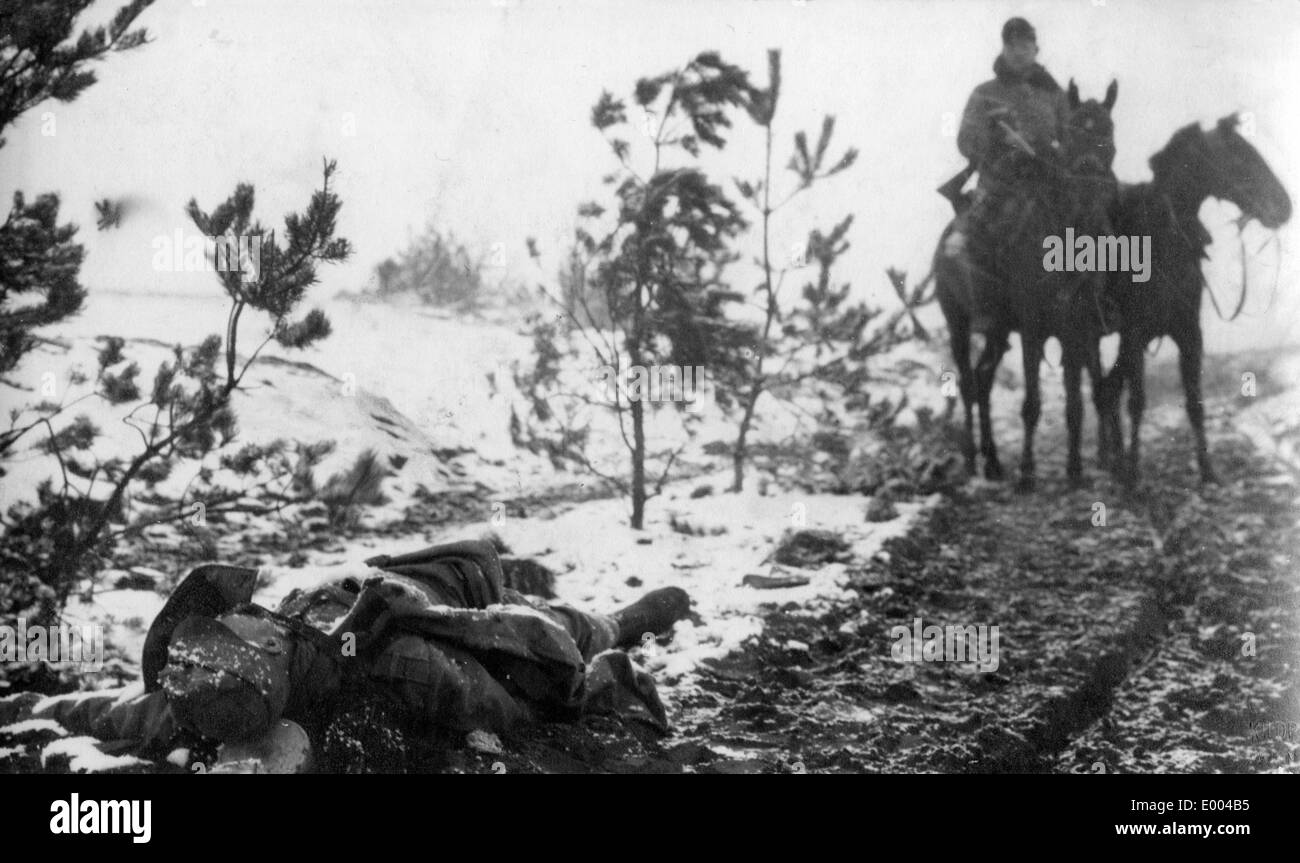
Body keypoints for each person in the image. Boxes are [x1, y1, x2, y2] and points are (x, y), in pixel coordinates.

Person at [7, 540, 691, 772]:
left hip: (416, 587)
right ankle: (624, 618)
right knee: (565, 628)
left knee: (555, 616)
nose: (253, 614)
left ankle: (622, 614)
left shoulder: (198, 692)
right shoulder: (386, 674)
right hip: (441, 611)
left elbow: (102, 710)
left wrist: (26, 707)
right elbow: (505, 692)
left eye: (243, 616)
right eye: (249, 622)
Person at [940, 17, 1071, 330]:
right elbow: (965, 141)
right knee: (978, 239)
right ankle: (986, 307)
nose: (1019, 52)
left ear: (1036, 49)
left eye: (1025, 45)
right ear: (1004, 48)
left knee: (1089, 227)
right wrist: (996, 139)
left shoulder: (1055, 95)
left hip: (1046, 183)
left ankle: (1091, 303)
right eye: (1012, 45)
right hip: (1000, 184)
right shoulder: (984, 93)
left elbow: (1072, 141)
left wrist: (1049, 151)